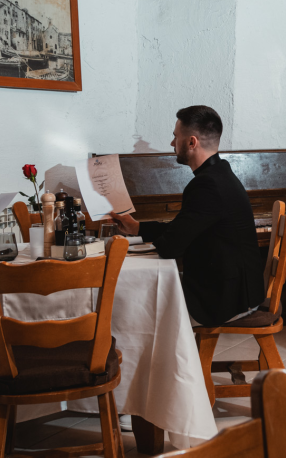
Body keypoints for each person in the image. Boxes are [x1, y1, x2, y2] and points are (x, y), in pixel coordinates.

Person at [106, 105, 262, 327]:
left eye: (175, 137)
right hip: (238, 289)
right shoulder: (220, 173)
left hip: (228, 299)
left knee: (135, 305)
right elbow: (181, 229)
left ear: (192, 142)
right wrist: (137, 228)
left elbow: (171, 246)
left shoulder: (207, 184)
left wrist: (161, 240)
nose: (172, 143)